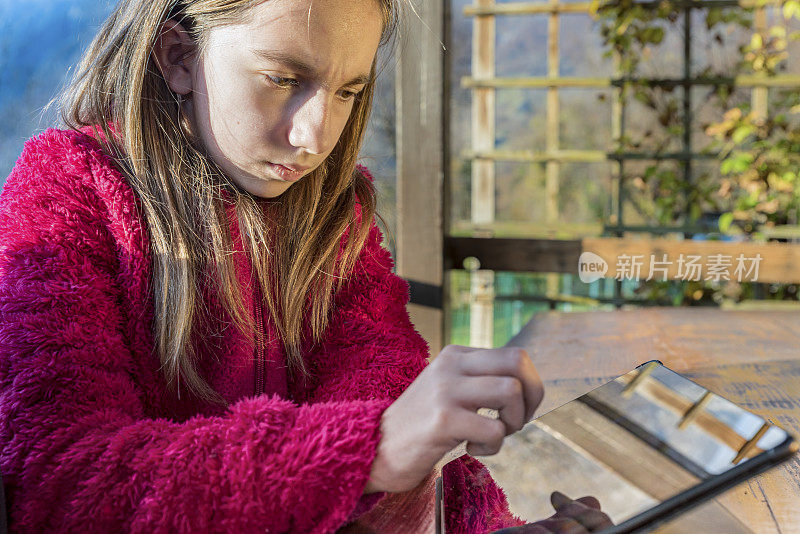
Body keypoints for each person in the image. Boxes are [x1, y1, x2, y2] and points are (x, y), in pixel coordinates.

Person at [0, 0, 611, 532]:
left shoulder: (337, 216)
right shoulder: (65, 197)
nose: (316, 137)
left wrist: (485, 529)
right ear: (179, 56)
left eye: (348, 91)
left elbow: (401, 422)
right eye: (282, 76)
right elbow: (56, 475)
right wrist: (364, 453)